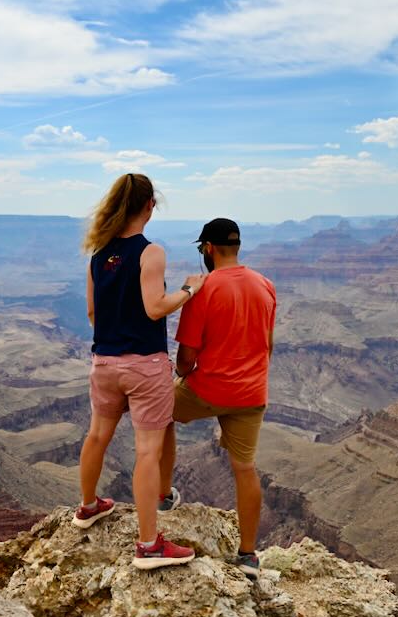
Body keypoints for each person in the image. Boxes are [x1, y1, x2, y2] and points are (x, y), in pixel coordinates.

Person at [74, 172, 206, 570]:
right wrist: (188, 290)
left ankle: (88, 506)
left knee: (97, 435)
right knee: (147, 451)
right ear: (150, 206)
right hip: (145, 366)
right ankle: (149, 545)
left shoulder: (98, 255)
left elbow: (93, 313)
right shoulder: (151, 253)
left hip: (104, 362)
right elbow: (154, 308)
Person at [159, 218, 277, 579]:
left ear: (207, 249)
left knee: (160, 414)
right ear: (236, 247)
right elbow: (267, 344)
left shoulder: (204, 289)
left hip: (207, 389)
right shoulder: (266, 285)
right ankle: (248, 555)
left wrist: (179, 376)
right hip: (251, 393)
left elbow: (186, 357)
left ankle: (163, 495)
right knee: (245, 468)